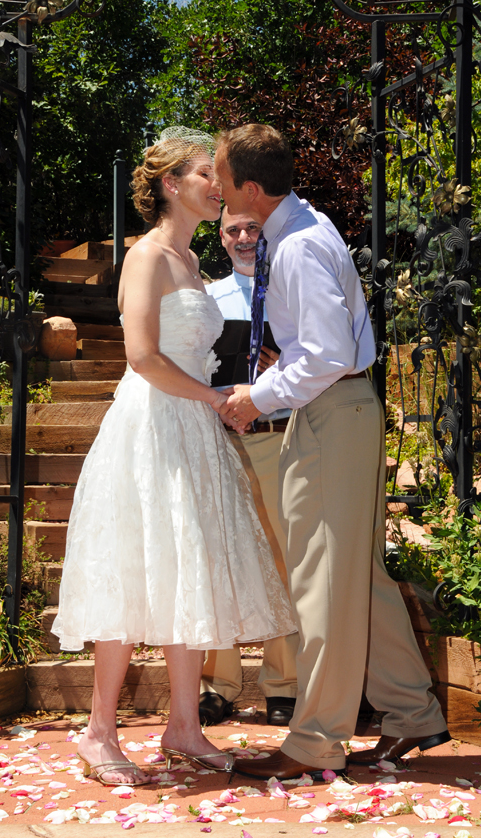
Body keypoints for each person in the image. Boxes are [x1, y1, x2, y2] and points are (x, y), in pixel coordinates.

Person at [51, 127, 295, 787]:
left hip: (193, 427)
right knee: (135, 572)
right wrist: (216, 398)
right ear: (170, 185)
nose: (218, 186)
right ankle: (98, 732)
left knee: (189, 572)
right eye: (203, 175)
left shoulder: (194, 264)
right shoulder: (148, 257)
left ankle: (183, 726)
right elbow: (141, 357)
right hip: (152, 427)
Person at [214, 124, 449, 780]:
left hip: (330, 412)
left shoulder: (294, 249)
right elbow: (321, 349)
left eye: (223, 176)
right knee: (358, 578)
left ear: (251, 189)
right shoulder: (303, 226)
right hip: (342, 410)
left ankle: (316, 738)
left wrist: (257, 396)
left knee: (320, 582)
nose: (220, 188)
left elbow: (327, 355)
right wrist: (280, 370)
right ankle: (412, 713)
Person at [200, 207, 299, 728]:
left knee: (283, 559)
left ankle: (283, 683)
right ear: (220, 238)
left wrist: (277, 370)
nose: (243, 238)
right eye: (232, 230)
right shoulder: (206, 300)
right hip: (219, 441)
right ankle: (219, 684)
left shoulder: (289, 292)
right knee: (221, 559)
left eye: (252, 228)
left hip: (276, 438)